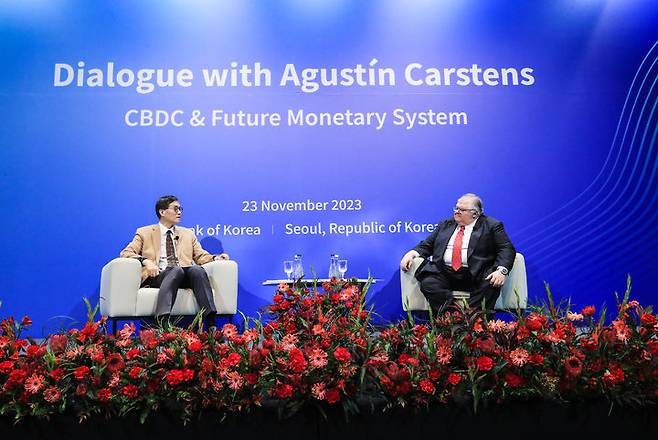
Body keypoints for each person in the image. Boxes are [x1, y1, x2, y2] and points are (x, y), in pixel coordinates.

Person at [120, 195, 230, 329]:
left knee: (196, 269)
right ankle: (163, 320)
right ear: (162, 212)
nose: (179, 212)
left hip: (183, 275)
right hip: (158, 276)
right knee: (176, 270)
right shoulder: (144, 232)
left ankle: (211, 323)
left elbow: (200, 256)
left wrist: (215, 258)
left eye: (180, 209)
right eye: (175, 209)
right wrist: (146, 261)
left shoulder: (187, 233)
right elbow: (126, 253)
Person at [400, 193, 515, 314]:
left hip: (476, 273)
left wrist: (501, 270)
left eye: (462, 210)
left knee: (491, 284)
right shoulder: (446, 224)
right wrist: (411, 254)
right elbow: (427, 245)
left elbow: (506, 248)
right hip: (445, 272)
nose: (457, 212)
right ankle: (451, 317)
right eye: (456, 208)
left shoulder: (491, 225)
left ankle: (472, 319)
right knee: (428, 283)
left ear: (475, 214)